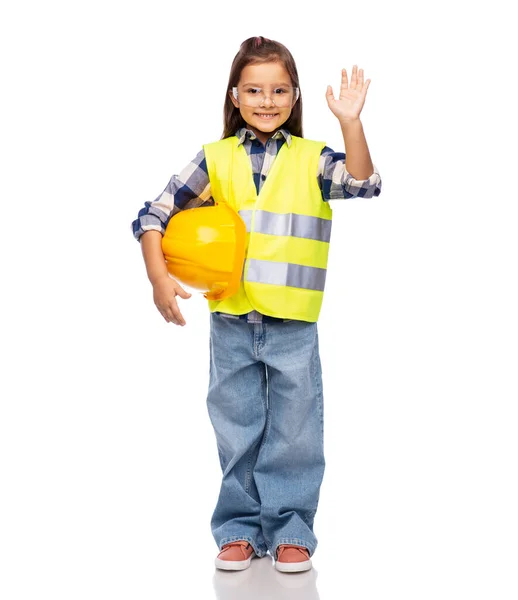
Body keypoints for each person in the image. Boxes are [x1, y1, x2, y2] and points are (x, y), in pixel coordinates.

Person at [131, 36, 382, 573]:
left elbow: (362, 184)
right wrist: (158, 277)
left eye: (278, 90)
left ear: (294, 98)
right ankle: (240, 530)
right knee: (237, 428)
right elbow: (153, 215)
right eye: (254, 90)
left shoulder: (313, 160)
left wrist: (351, 124)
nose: (266, 101)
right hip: (231, 321)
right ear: (234, 95)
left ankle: (291, 529)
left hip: (293, 324)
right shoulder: (215, 158)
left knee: (296, 430)